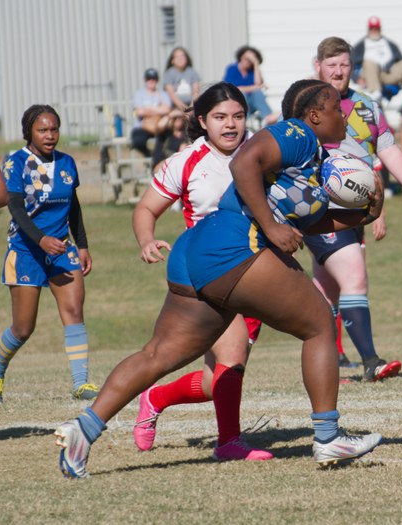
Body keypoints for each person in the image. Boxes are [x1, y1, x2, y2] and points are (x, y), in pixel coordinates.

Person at [54, 79, 385, 479]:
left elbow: (314, 223)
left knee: (160, 355)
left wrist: (364, 213)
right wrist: (270, 226)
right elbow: (242, 163)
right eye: (336, 108)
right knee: (319, 323)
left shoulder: (310, 163)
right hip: (234, 246)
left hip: (198, 252)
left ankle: (83, 430)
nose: (344, 115)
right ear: (314, 115)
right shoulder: (296, 132)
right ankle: (329, 437)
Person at [132, 82, 271, 461]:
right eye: (220, 117)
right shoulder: (186, 161)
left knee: (219, 379)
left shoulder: (262, 152)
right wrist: (146, 239)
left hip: (259, 274)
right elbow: (145, 210)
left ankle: (155, 398)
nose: (231, 125)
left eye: (238, 117)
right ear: (202, 121)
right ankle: (229, 444)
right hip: (210, 275)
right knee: (233, 358)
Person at [304, 36, 402, 382]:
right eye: (332, 65)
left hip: (356, 210)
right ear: (318, 67)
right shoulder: (305, 107)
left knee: (328, 291)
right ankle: (371, 361)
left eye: (345, 65)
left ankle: (327, 363)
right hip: (321, 209)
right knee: (355, 278)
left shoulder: (366, 106)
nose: (339, 71)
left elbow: (388, 149)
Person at [0, 105, 98, 403]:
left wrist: (81, 245)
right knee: (23, 327)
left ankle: (81, 383)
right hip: (26, 250)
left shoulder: (66, 162)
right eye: (43, 130)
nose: (50, 135)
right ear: (29, 131)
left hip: (61, 251)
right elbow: (15, 207)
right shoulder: (16, 162)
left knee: (74, 313)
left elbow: (74, 207)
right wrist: (40, 240)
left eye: (54, 129)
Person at [351, 16, 402, 100]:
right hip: (369, 75)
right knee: (369, 63)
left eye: (376, 28)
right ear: (368, 29)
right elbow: (351, 65)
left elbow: (400, 59)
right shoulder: (360, 45)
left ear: (380, 28)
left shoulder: (389, 43)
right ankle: (375, 94)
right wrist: (356, 78)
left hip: (388, 73)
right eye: (372, 28)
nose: (374, 30)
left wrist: (400, 81)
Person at [222, 45, 279, 127]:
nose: (247, 62)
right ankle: (245, 120)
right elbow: (233, 89)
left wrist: (256, 63)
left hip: (252, 103)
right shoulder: (232, 69)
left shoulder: (252, 71)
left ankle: (267, 118)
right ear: (241, 57)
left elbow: (258, 84)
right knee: (241, 94)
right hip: (237, 103)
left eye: (250, 60)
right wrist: (255, 87)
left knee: (257, 93)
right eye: (246, 59)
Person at [130, 68, 173, 157]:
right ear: (145, 80)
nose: (151, 81)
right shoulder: (139, 94)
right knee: (137, 141)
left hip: (159, 126)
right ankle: (148, 155)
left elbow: (167, 109)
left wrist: (148, 109)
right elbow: (140, 112)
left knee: (167, 142)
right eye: (148, 79)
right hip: (142, 127)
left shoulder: (162, 94)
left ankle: (159, 158)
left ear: (157, 80)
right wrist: (158, 110)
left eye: (153, 79)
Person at [163, 47, 201, 113]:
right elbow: (171, 95)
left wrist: (191, 108)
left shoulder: (192, 72)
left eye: (182, 56)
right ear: (172, 60)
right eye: (177, 56)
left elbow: (196, 92)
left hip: (191, 106)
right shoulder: (168, 74)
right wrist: (184, 108)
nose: (180, 58)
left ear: (186, 59)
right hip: (174, 107)